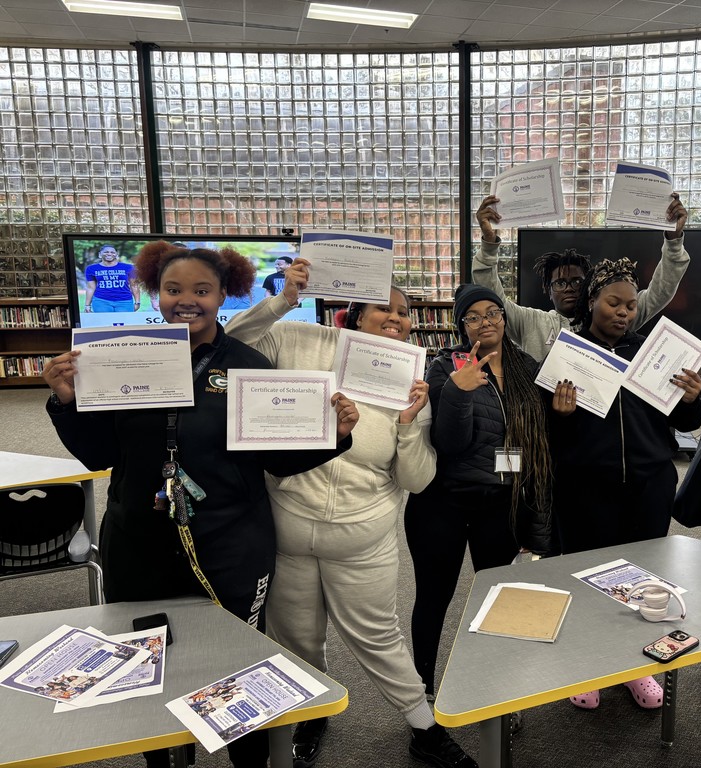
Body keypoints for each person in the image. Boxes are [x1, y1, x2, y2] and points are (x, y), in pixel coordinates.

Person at [42, 241, 358, 768]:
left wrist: (335, 435)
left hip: (230, 542)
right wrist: (65, 402)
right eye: (174, 290)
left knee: (237, 666)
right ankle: (165, 757)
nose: (186, 301)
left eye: (201, 291)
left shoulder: (248, 365)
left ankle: (249, 760)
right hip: (138, 539)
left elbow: (278, 461)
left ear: (223, 296)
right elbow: (99, 452)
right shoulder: (118, 357)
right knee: (147, 663)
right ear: (156, 293)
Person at [225, 260, 477, 768]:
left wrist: (409, 425)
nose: (397, 320)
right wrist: (283, 298)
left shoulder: (409, 378)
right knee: (297, 639)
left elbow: (418, 479)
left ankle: (424, 729)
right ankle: (312, 714)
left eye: (404, 314)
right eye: (384, 308)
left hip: (363, 540)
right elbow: (228, 343)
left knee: (379, 637)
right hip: (288, 532)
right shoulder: (298, 339)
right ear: (353, 314)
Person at [549, 257, 701, 711]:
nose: (623, 313)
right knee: (587, 580)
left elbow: (687, 422)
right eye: (613, 303)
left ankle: (637, 669)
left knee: (645, 587)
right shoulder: (568, 354)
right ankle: (588, 668)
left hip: (648, 486)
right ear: (592, 301)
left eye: (631, 306)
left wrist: (693, 398)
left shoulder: (653, 355)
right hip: (584, 488)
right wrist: (559, 416)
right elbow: (549, 435)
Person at [404, 284, 554, 700]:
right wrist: (458, 390)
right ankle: (423, 691)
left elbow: (536, 442)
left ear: (505, 318)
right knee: (435, 597)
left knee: (496, 597)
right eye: (474, 316)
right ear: (461, 325)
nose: (486, 321)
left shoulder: (527, 367)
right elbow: (450, 444)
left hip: (500, 501)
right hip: (443, 502)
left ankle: (497, 684)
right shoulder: (444, 366)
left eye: (494, 313)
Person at [472, 193, 690, 360]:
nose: (568, 288)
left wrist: (674, 239)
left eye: (577, 281)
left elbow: (660, 292)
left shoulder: (610, 317)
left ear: (590, 290)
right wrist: (489, 244)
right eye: (559, 283)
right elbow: (491, 299)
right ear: (548, 290)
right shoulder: (530, 322)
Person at [84, 243, 140, 313]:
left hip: (125, 301)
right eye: (106, 252)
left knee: (125, 323)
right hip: (101, 301)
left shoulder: (129, 268)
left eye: (112, 252)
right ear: (100, 254)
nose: (109, 254)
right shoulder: (91, 269)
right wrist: (87, 305)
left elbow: (134, 285)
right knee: (104, 323)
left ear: (116, 254)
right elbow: (91, 288)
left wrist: (137, 302)